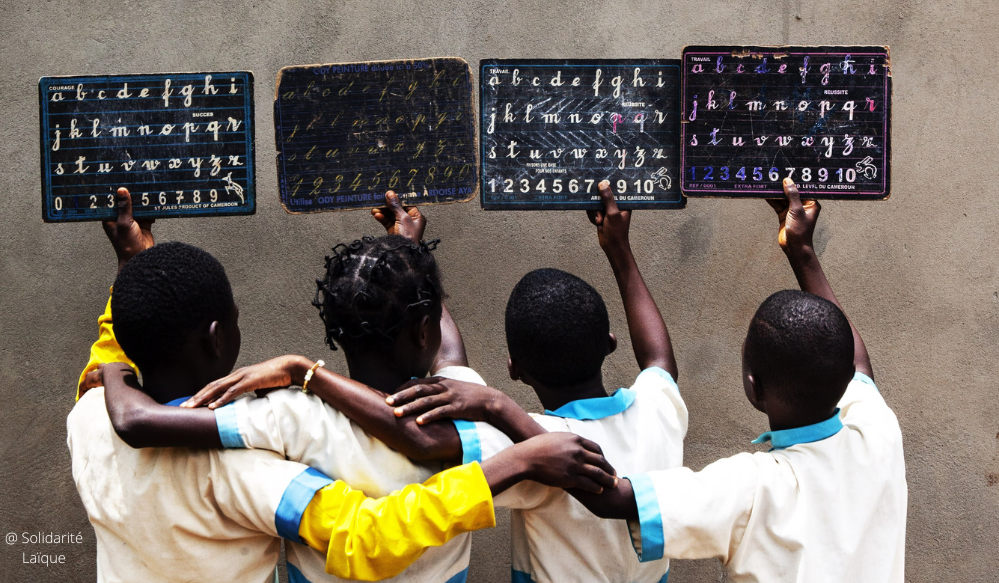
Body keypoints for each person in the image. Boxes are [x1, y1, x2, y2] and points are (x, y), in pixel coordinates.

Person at [71, 188, 618, 583]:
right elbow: (368, 539)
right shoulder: (244, 472)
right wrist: (518, 458)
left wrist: (132, 269)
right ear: (217, 339)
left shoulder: (92, 412)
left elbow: (122, 353)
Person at [400, 178, 905, 582]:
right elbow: (857, 367)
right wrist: (802, 250)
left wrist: (495, 405)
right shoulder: (879, 435)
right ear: (610, 342)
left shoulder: (749, 487)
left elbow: (610, 494)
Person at [385, 180, 688, 583]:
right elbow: (659, 359)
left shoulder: (535, 447)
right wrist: (619, 248)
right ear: (609, 344)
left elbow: (446, 371)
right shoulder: (658, 412)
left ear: (515, 369)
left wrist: (412, 257)